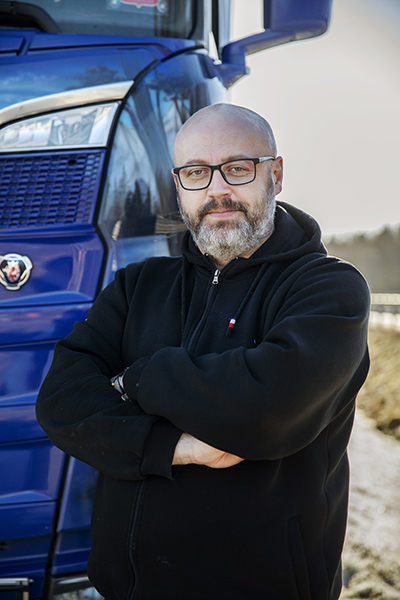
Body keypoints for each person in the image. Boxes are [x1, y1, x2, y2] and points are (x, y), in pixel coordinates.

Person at [36, 103, 370, 600]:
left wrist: (134, 379)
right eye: (196, 173)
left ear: (275, 174)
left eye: (237, 168)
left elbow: (267, 406)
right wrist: (172, 446)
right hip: (122, 590)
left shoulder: (328, 288)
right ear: (179, 187)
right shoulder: (136, 287)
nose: (217, 190)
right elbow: (61, 402)